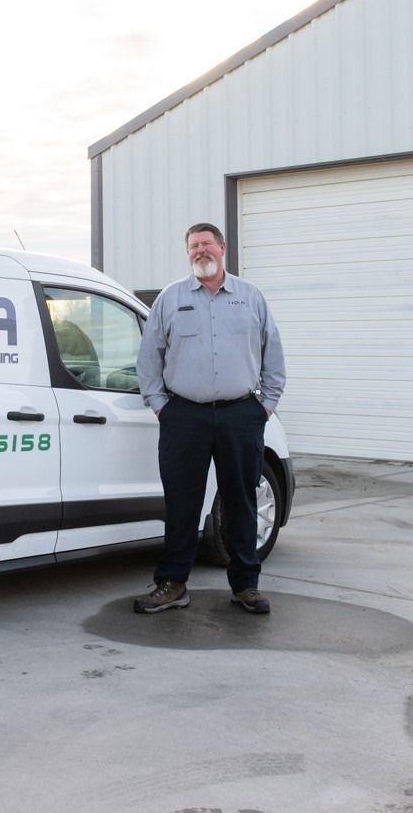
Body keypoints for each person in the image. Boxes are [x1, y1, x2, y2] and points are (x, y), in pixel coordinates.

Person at [133, 222, 286, 617]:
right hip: (183, 415)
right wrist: (160, 405)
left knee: (241, 502)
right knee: (181, 503)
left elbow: (274, 357)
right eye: (193, 246)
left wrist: (264, 406)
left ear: (222, 247)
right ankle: (173, 584)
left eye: (206, 244)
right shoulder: (170, 298)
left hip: (240, 415)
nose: (200, 251)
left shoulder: (251, 297)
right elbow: (149, 359)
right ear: (188, 253)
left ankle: (245, 586)